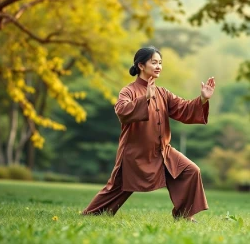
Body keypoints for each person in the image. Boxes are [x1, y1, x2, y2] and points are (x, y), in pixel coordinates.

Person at [82, 46, 215, 223]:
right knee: (116, 188)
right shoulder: (128, 91)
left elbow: (183, 108)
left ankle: (184, 216)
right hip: (135, 155)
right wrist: (144, 98)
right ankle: (90, 215)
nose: (158, 66)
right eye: (154, 62)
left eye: (160, 63)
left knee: (190, 171)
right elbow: (121, 110)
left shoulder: (163, 93)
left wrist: (202, 99)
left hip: (163, 152)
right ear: (141, 65)